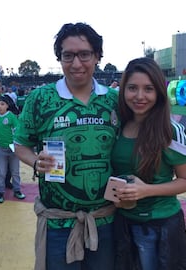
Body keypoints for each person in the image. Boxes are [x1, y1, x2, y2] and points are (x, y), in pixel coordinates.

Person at [14, 22, 120, 270]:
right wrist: (35, 161)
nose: (76, 63)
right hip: (57, 223)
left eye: (84, 54)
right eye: (68, 55)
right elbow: (20, 144)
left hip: (105, 220)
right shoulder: (40, 98)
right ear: (59, 58)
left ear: (97, 57)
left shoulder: (113, 99)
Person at [111, 57, 186, 270]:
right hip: (120, 222)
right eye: (132, 88)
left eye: (148, 89)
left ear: (158, 92)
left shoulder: (171, 130)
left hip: (159, 226)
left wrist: (146, 190)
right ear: (123, 90)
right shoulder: (116, 125)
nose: (139, 96)